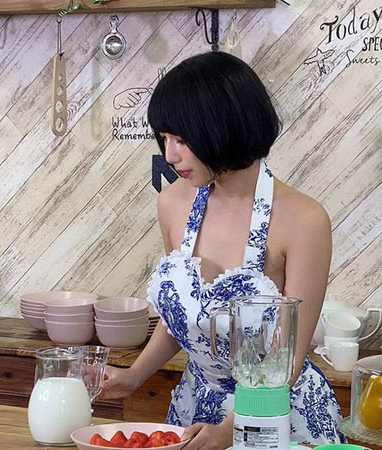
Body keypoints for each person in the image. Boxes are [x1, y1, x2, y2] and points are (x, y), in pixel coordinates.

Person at [100, 51, 346, 449]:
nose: (170, 155)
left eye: (183, 139)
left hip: (275, 419)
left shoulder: (304, 220)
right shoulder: (173, 203)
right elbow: (181, 317)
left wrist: (230, 431)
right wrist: (132, 377)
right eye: (165, 138)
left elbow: (287, 362)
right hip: (195, 413)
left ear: (226, 126)